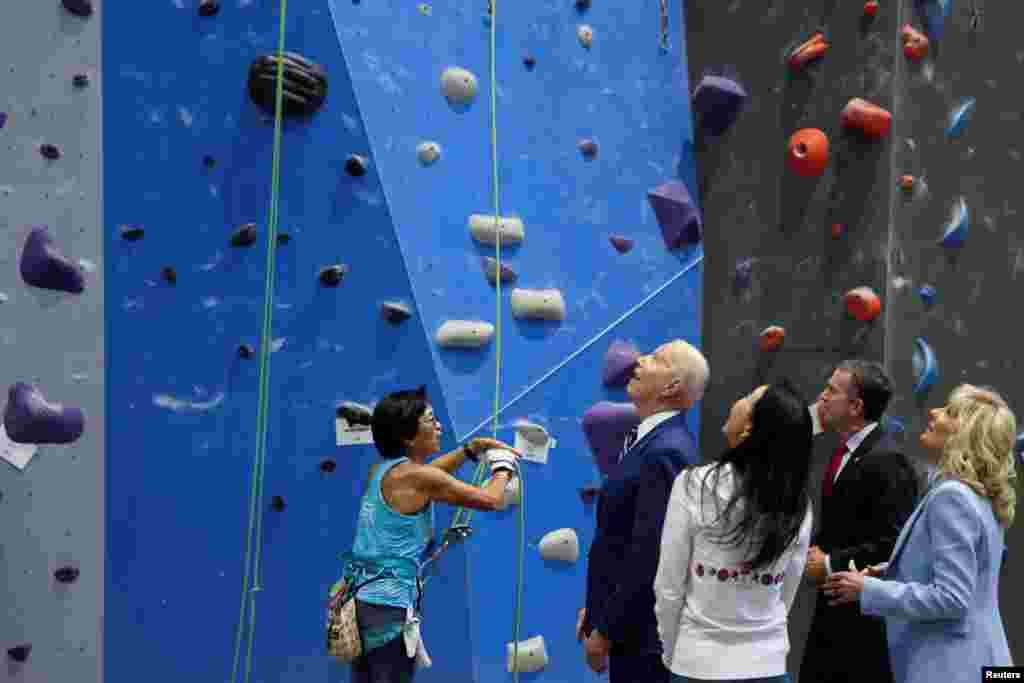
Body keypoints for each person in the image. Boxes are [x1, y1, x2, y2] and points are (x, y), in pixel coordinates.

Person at [824, 384, 1017, 683]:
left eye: (949, 412)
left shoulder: (952, 496)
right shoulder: (982, 494)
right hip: (989, 663)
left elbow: (953, 598)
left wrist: (870, 591)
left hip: (954, 668)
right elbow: (971, 576)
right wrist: (892, 571)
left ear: (966, 434)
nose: (933, 413)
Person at [347, 386, 520, 683]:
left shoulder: (385, 471)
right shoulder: (418, 477)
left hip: (366, 601)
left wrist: (470, 450)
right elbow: (490, 500)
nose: (439, 425)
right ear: (408, 436)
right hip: (389, 607)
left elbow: (431, 474)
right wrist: (503, 465)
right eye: (430, 420)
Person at [654, 381, 815, 683]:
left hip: (697, 663)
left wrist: (674, 649)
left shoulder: (694, 485)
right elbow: (786, 593)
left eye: (747, 398)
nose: (737, 400)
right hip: (767, 664)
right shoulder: (799, 503)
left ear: (750, 429)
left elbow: (668, 587)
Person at [576, 339, 709, 683]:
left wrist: (607, 627)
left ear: (673, 386)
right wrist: (598, 607)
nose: (639, 361)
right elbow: (621, 541)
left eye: (655, 358)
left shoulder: (666, 450)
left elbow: (650, 553)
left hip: (645, 641)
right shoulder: (648, 441)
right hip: (632, 629)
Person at [798, 360, 920, 683]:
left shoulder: (888, 460)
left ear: (855, 406)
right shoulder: (842, 451)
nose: (822, 397)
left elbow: (895, 543)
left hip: (862, 623)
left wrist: (829, 562)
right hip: (831, 610)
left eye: (831, 391)